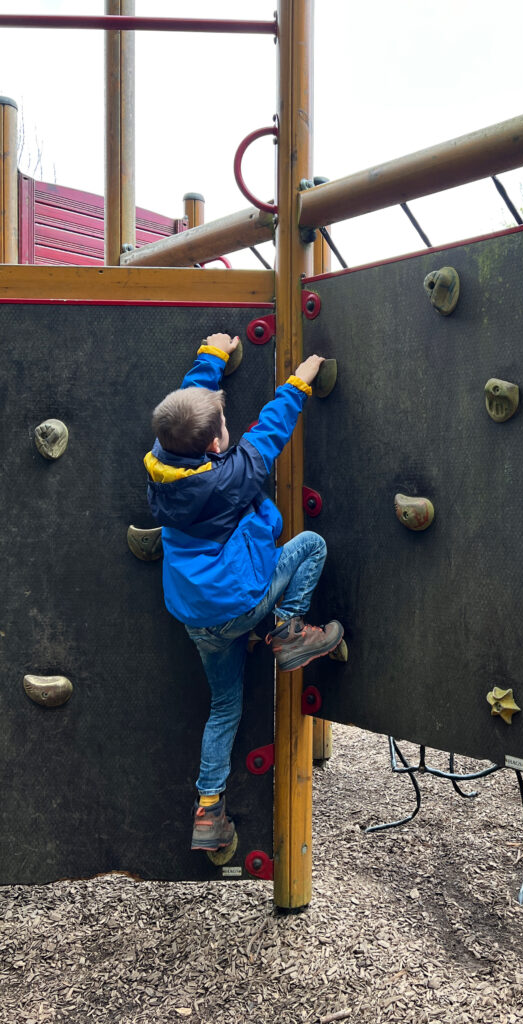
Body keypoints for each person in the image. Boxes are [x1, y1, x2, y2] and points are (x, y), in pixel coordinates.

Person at [145, 332, 342, 854]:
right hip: (242, 603)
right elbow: (270, 430)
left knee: (225, 706)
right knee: (310, 546)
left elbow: (187, 411)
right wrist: (301, 379)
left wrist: (210, 356)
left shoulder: (160, 468)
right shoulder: (231, 476)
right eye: (222, 428)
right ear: (215, 444)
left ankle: (209, 810)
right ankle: (290, 630)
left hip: (197, 619)